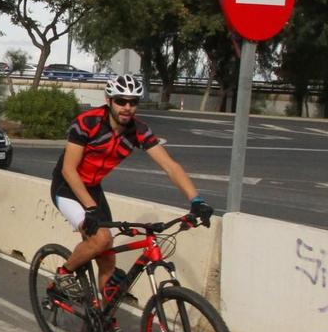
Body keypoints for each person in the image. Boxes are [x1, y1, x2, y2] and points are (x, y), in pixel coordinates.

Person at [50, 74, 212, 313]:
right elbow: (69, 169)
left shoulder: (138, 131)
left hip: (93, 189)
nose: (127, 107)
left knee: (108, 258)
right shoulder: (87, 123)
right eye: (121, 101)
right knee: (101, 239)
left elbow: (170, 166)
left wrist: (196, 200)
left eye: (133, 102)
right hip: (67, 188)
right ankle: (64, 273)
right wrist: (90, 207)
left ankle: (107, 321)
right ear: (108, 100)